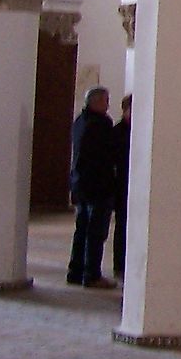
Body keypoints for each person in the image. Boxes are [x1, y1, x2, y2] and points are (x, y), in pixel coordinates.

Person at [67, 86, 117, 289]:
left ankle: (75, 271)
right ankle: (92, 274)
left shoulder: (79, 121)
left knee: (82, 230)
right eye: (106, 100)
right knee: (96, 233)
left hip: (80, 184)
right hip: (98, 186)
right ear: (97, 102)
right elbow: (108, 155)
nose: (108, 104)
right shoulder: (101, 124)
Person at [112, 94, 132, 278]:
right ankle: (120, 264)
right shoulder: (118, 131)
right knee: (123, 226)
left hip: (132, 186)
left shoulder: (137, 130)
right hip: (122, 186)